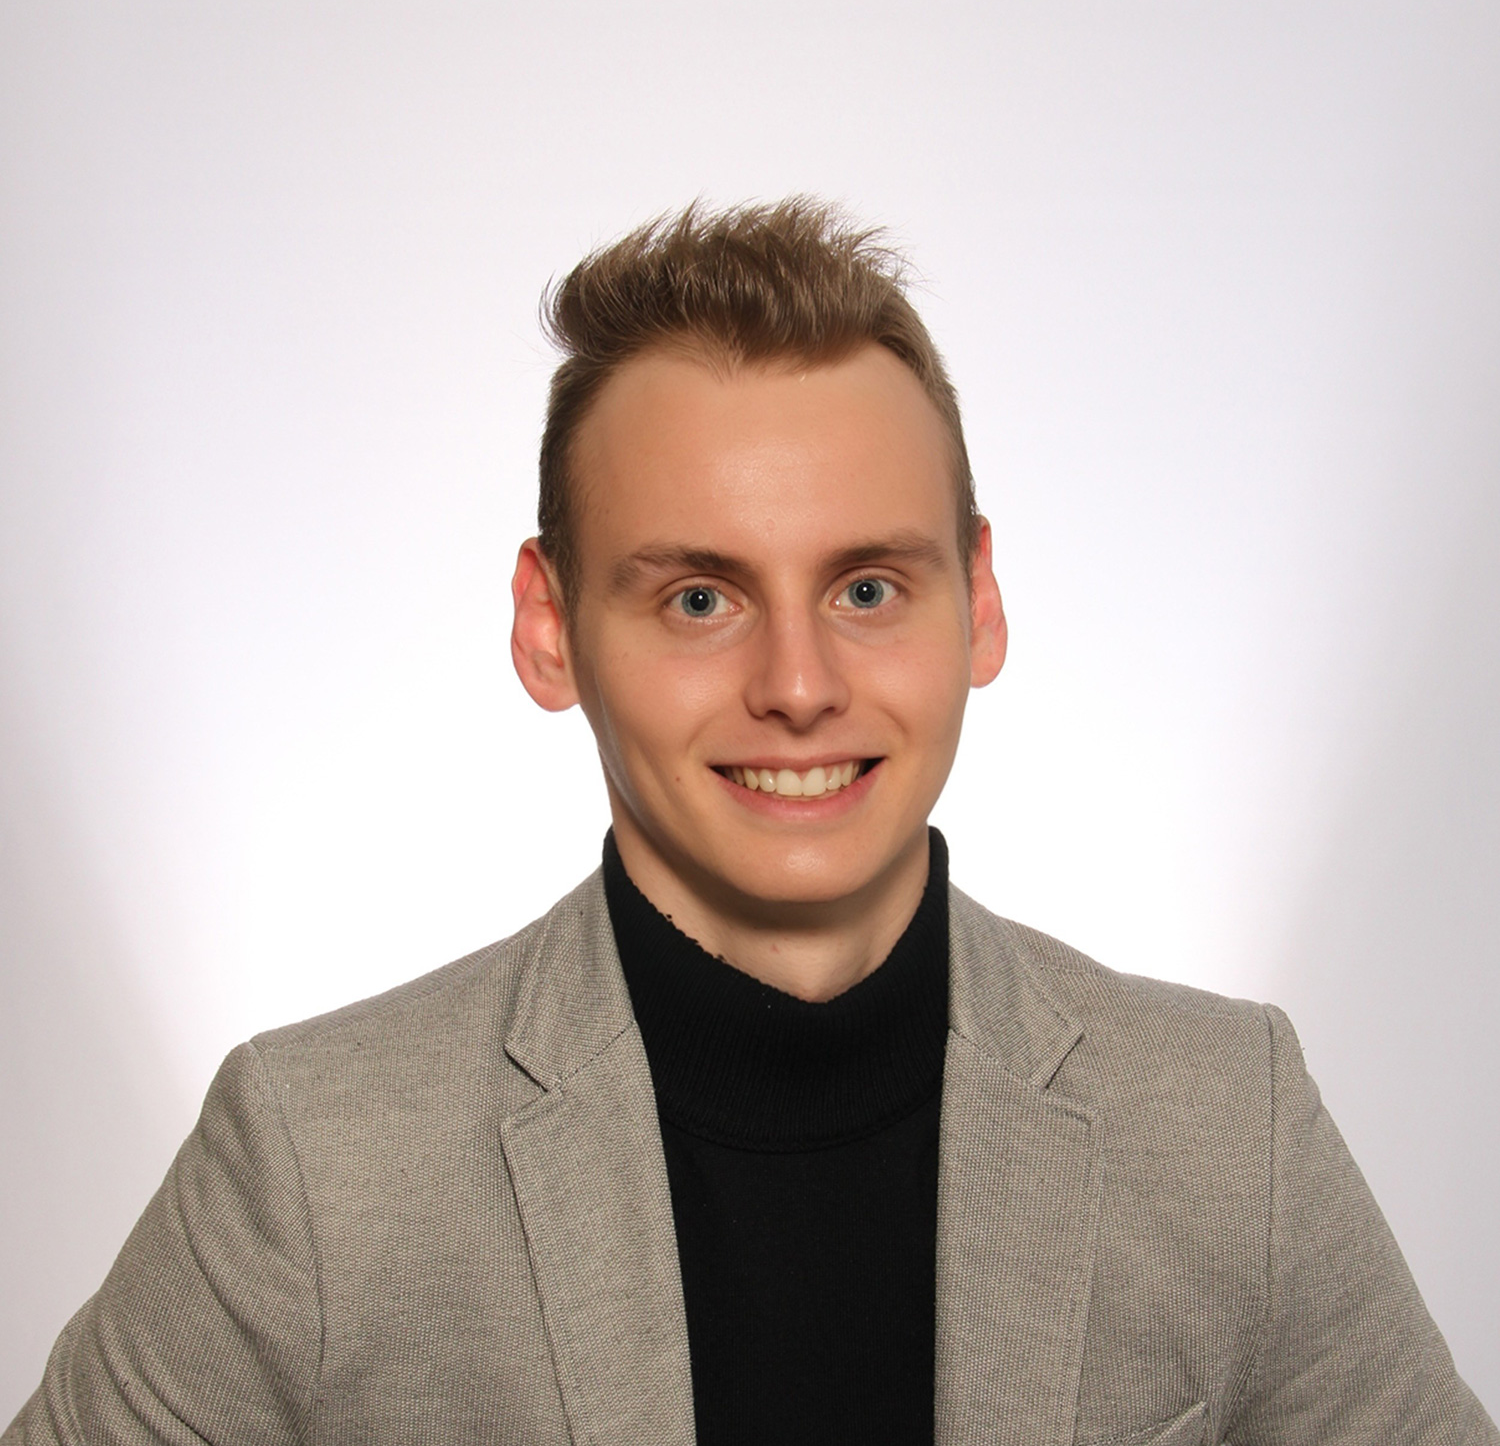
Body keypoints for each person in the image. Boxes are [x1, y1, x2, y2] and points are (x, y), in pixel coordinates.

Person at [6, 200, 1494, 1446]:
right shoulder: (317, 1161)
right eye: (700, 598)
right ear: (549, 628)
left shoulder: (1232, 1124)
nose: (798, 685)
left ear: (978, 602)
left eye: (868, 588)